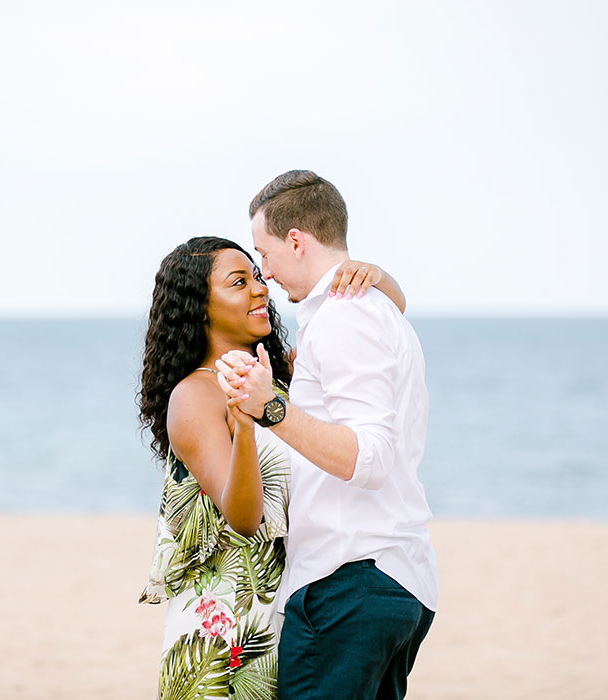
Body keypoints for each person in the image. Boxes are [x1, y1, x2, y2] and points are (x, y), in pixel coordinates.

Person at [138, 236, 407, 700]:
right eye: (239, 282)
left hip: (281, 614)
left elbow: (388, 317)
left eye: (258, 276)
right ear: (199, 307)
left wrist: (374, 276)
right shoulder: (195, 396)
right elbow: (243, 517)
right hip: (219, 633)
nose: (260, 288)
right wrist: (244, 428)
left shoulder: (278, 377)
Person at [216, 170, 438, 700]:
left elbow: (371, 458)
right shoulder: (365, 308)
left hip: (349, 582)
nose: (263, 274)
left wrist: (270, 408)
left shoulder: (344, 318)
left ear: (296, 241)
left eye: (263, 254)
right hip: (382, 579)